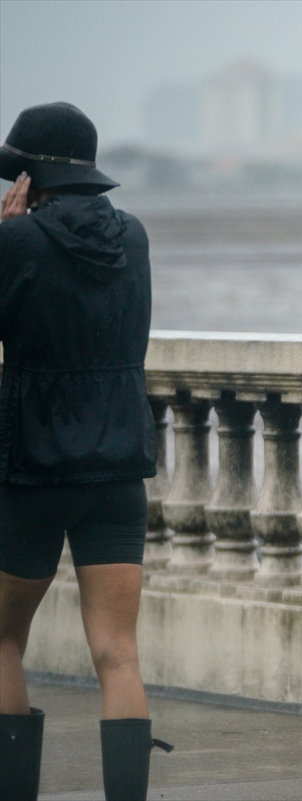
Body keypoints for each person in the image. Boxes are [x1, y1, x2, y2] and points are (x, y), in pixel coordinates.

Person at [0, 103, 172, 801]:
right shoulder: (133, 236)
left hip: (31, 465)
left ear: (32, 176)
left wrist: (6, 237)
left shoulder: (18, 240)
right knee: (117, 649)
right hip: (118, 464)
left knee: (5, 639)